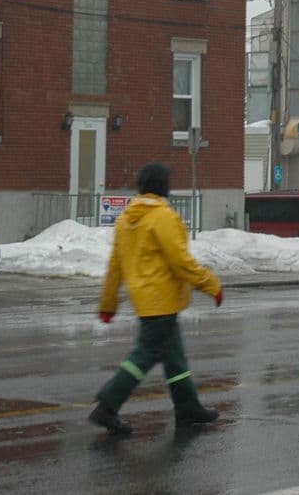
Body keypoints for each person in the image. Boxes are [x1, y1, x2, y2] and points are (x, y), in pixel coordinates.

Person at [89, 162, 224, 436]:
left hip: (145, 300)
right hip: (162, 300)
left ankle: (188, 407)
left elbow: (116, 265)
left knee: (174, 359)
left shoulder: (127, 219)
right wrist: (211, 284)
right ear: (164, 187)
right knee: (145, 354)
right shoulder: (163, 217)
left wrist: (108, 304)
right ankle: (107, 404)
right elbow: (181, 262)